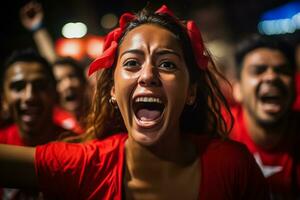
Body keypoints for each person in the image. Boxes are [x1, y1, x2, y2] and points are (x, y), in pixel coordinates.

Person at [0, 5, 270, 199]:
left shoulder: (234, 165)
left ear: (190, 91)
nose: (148, 75)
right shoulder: (87, 165)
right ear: (113, 90)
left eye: (167, 64)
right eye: (131, 63)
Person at [230, 34, 300, 198]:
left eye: (282, 70)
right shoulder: (218, 134)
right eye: (258, 70)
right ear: (237, 90)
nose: (271, 77)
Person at [0, 49, 76, 199]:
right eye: (18, 87)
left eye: (40, 86)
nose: (29, 96)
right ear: (4, 99)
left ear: (55, 93)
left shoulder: (79, 147)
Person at [52, 57, 90, 127]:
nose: (68, 84)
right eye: (59, 81)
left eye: (72, 76)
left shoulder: (103, 116)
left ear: (84, 81)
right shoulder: (51, 127)